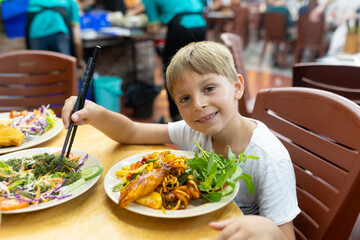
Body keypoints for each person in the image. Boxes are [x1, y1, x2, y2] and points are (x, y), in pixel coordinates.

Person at [62, 41, 300, 239]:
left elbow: (286, 236)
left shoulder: (269, 159)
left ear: (237, 87)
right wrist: (95, 112)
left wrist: (269, 229)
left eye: (208, 88)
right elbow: (132, 132)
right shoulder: (196, 131)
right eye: (185, 98)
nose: (198, 105)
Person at [141, 0, 207, 122]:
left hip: (180, 27)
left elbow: (154, 28)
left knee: (172, 72)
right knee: (198, 69)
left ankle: (178, 117)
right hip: (200, 23)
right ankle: (201, 112)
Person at [26, 0, 86, 68]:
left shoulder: (35, 1)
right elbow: (77, 40)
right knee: (65, 70)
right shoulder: (71, 2)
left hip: (36, 34)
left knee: (39, 71)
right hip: (59, 34)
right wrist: (80, 60)